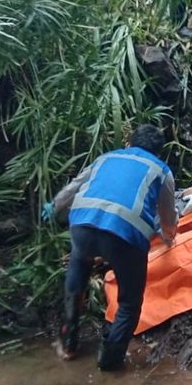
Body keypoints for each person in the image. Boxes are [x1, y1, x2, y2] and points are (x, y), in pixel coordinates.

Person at [48, 124, 178, 370]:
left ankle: (67, 344)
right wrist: (169, 238)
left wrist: (54, 206)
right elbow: (167, 216)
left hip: (82, 225)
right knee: (129, 302)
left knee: (78, 270)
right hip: (125, 235)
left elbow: (75, 186)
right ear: (159, 151)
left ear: (130, 142)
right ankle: (110, 363)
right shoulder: (161, 171)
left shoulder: (106, 158)